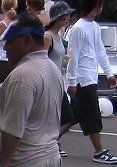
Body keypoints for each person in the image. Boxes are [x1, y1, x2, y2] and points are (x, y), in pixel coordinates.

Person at [0, 14, 64, 167]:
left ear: (26, 40)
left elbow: (13, 132)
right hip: (49, 157)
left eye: (10, 42)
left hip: (24, 165)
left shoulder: (22, 76)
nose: (6, 49)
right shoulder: (52, 69)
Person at [66, 0, 117, 164]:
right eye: (98, 5)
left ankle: (51, 142)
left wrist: (109, 73)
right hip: (83, 79)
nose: (100, 8)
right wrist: (72, 81)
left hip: (91, 76)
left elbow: (100, 51)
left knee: (75, 115)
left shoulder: (94, 26)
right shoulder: (78, 28)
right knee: (92, 115)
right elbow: (73, 56)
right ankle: (99, 151)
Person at [44, 1, 76, 157]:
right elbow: (41, 59)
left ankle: (50, 143)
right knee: (62, 117)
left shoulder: (58, 35)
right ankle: (49, 144)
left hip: (59, 81)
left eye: (68, 16)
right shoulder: (48, 37)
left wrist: (65, 60)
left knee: (65, 118)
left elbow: (57, 58)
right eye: (64, 17)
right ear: (56, 19)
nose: (67, 19)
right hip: (49, 82)